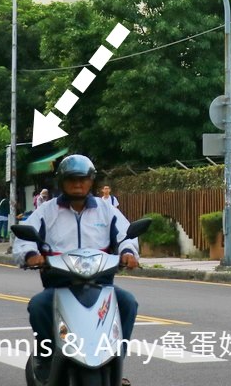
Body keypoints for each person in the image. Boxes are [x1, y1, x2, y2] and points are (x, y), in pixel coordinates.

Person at [13, 154, 140, 385]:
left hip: (101, 286)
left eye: (83, 179)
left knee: (128, 303)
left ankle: (115, 360)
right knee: (38, 306)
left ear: (91, 181)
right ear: (61, 182)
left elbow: (125, 235)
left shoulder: (106, 210)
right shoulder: (46, 211)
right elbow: (25, 239)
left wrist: (128, 253)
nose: (78, 184)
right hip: (60, 285)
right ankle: (45, 357)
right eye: (71, 179)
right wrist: (31, 255)